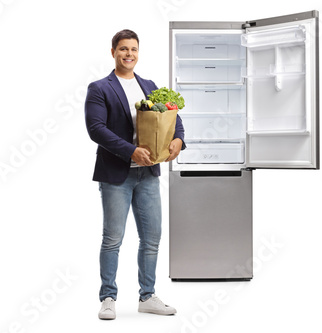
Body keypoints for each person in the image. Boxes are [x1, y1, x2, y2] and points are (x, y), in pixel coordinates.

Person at [84, 29, 185, 320]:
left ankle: (147, 296)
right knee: (113, 238)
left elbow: (172, 116)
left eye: (134, 49)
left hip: (148, 174)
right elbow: (96, 128)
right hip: (117, 174)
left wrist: (179, 139)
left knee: (152, 237)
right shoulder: (100, 88)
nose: (129, 54)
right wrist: (130, 151)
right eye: (123, 49)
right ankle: (108, 298)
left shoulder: (149, 85)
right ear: (113, 51)